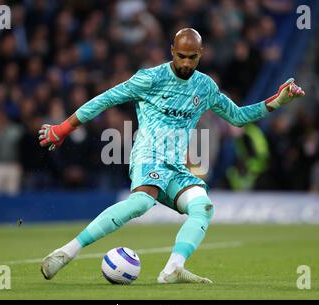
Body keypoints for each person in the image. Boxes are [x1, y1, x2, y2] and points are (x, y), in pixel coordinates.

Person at [38, 28, 305, 284]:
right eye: (181, 56)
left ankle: (174, 268)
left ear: (201, 54)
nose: (186, 63)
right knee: (141, 203)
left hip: (175, 166)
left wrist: (278, 101)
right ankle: (67, 251)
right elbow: (104, 100)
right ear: (172, 51)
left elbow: (238, 117)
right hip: (148, 155)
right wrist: (62, 129)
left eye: (192, 57)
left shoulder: (205, 87)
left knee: (203, 207)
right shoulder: (150, 78)